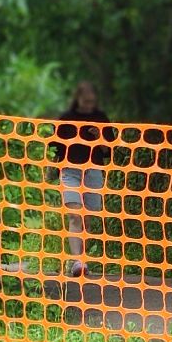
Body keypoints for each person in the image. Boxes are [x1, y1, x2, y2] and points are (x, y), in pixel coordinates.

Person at [50, 81, 113, 277]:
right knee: (75, 215)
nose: (89, 105)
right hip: (70, 171)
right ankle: (77, 261)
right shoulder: (66, 119)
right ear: (77, 98)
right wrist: (51, 169)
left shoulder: (101, 118)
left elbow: (108, 151)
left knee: (88, 219)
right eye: (85, 101)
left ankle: (83, 259)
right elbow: (55, 147)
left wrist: (99, 137)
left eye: (92, 101)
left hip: (94, 170)